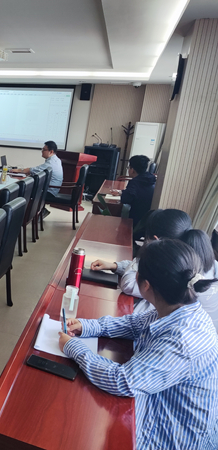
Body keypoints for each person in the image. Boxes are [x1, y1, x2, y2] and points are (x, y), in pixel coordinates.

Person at [59, 239, 218, 450]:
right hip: (158, 407)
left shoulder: (182, 340)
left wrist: (73, 347)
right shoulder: (176, 308)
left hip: (173, 437)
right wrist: (88, 326)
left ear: (146, 285)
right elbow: (134, 324)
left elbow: (123, 381)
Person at [91, 208, 192, 310]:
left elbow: (128, 284)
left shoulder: (171, 274)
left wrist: (144, 252)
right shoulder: (181, 261)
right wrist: (115, 266)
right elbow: (141, 269)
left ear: (155, 240)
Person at [11, 140, 63, 217]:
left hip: (49, 191)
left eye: (44, 150)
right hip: (52, 188)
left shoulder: (51, 163)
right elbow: (36, 171)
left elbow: (33, 170)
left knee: (22, 190)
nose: (42, 151)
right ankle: (40, 210)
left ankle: (20, 215)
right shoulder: (56, 160)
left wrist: (17, 170)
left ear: (51, 151)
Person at [111, 155, 155, 228]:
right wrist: (121, 192)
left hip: (136, 221)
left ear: (132, 170)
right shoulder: (151, 179)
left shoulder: (135, 182)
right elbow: (139, 193)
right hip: (149, 220)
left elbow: (125, 199)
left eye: (129, 167)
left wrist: (123, 194)